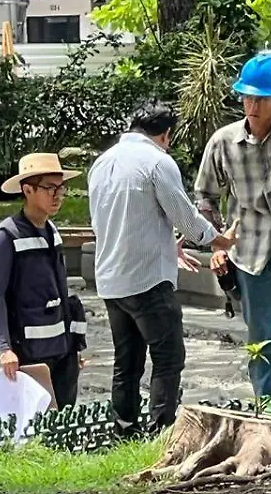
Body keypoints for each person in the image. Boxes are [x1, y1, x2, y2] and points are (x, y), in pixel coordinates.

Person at [89, 101, 237, 435]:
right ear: (166, 134)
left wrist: (168, 246)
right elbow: (184, 215)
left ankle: (123, 429)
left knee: (126, 361)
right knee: (168, 357)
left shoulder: (101, 163)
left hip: (111, 279)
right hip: (148, 280)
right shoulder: (158, 162)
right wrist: (218, 240)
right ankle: (162, 430)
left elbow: (107, 221)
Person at [195, 53, 271, 399]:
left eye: (261, 98)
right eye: (248, 96)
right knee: (260, 336)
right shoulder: (224, 141)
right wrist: (216, 242)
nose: (253, 104)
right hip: (248, 248)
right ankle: (267, 403)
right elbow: (205, 195)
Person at [0, 152, 88, 409]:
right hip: (28, 351)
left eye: (61, 188)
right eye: (49, 188)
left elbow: (61, 291)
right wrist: (4, 349)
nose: (57, 196)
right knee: (36, 421)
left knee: (64, 419)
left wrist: (73, 348)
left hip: (61, 349)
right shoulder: (5, 235)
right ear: (27, 190)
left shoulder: (53, 231)